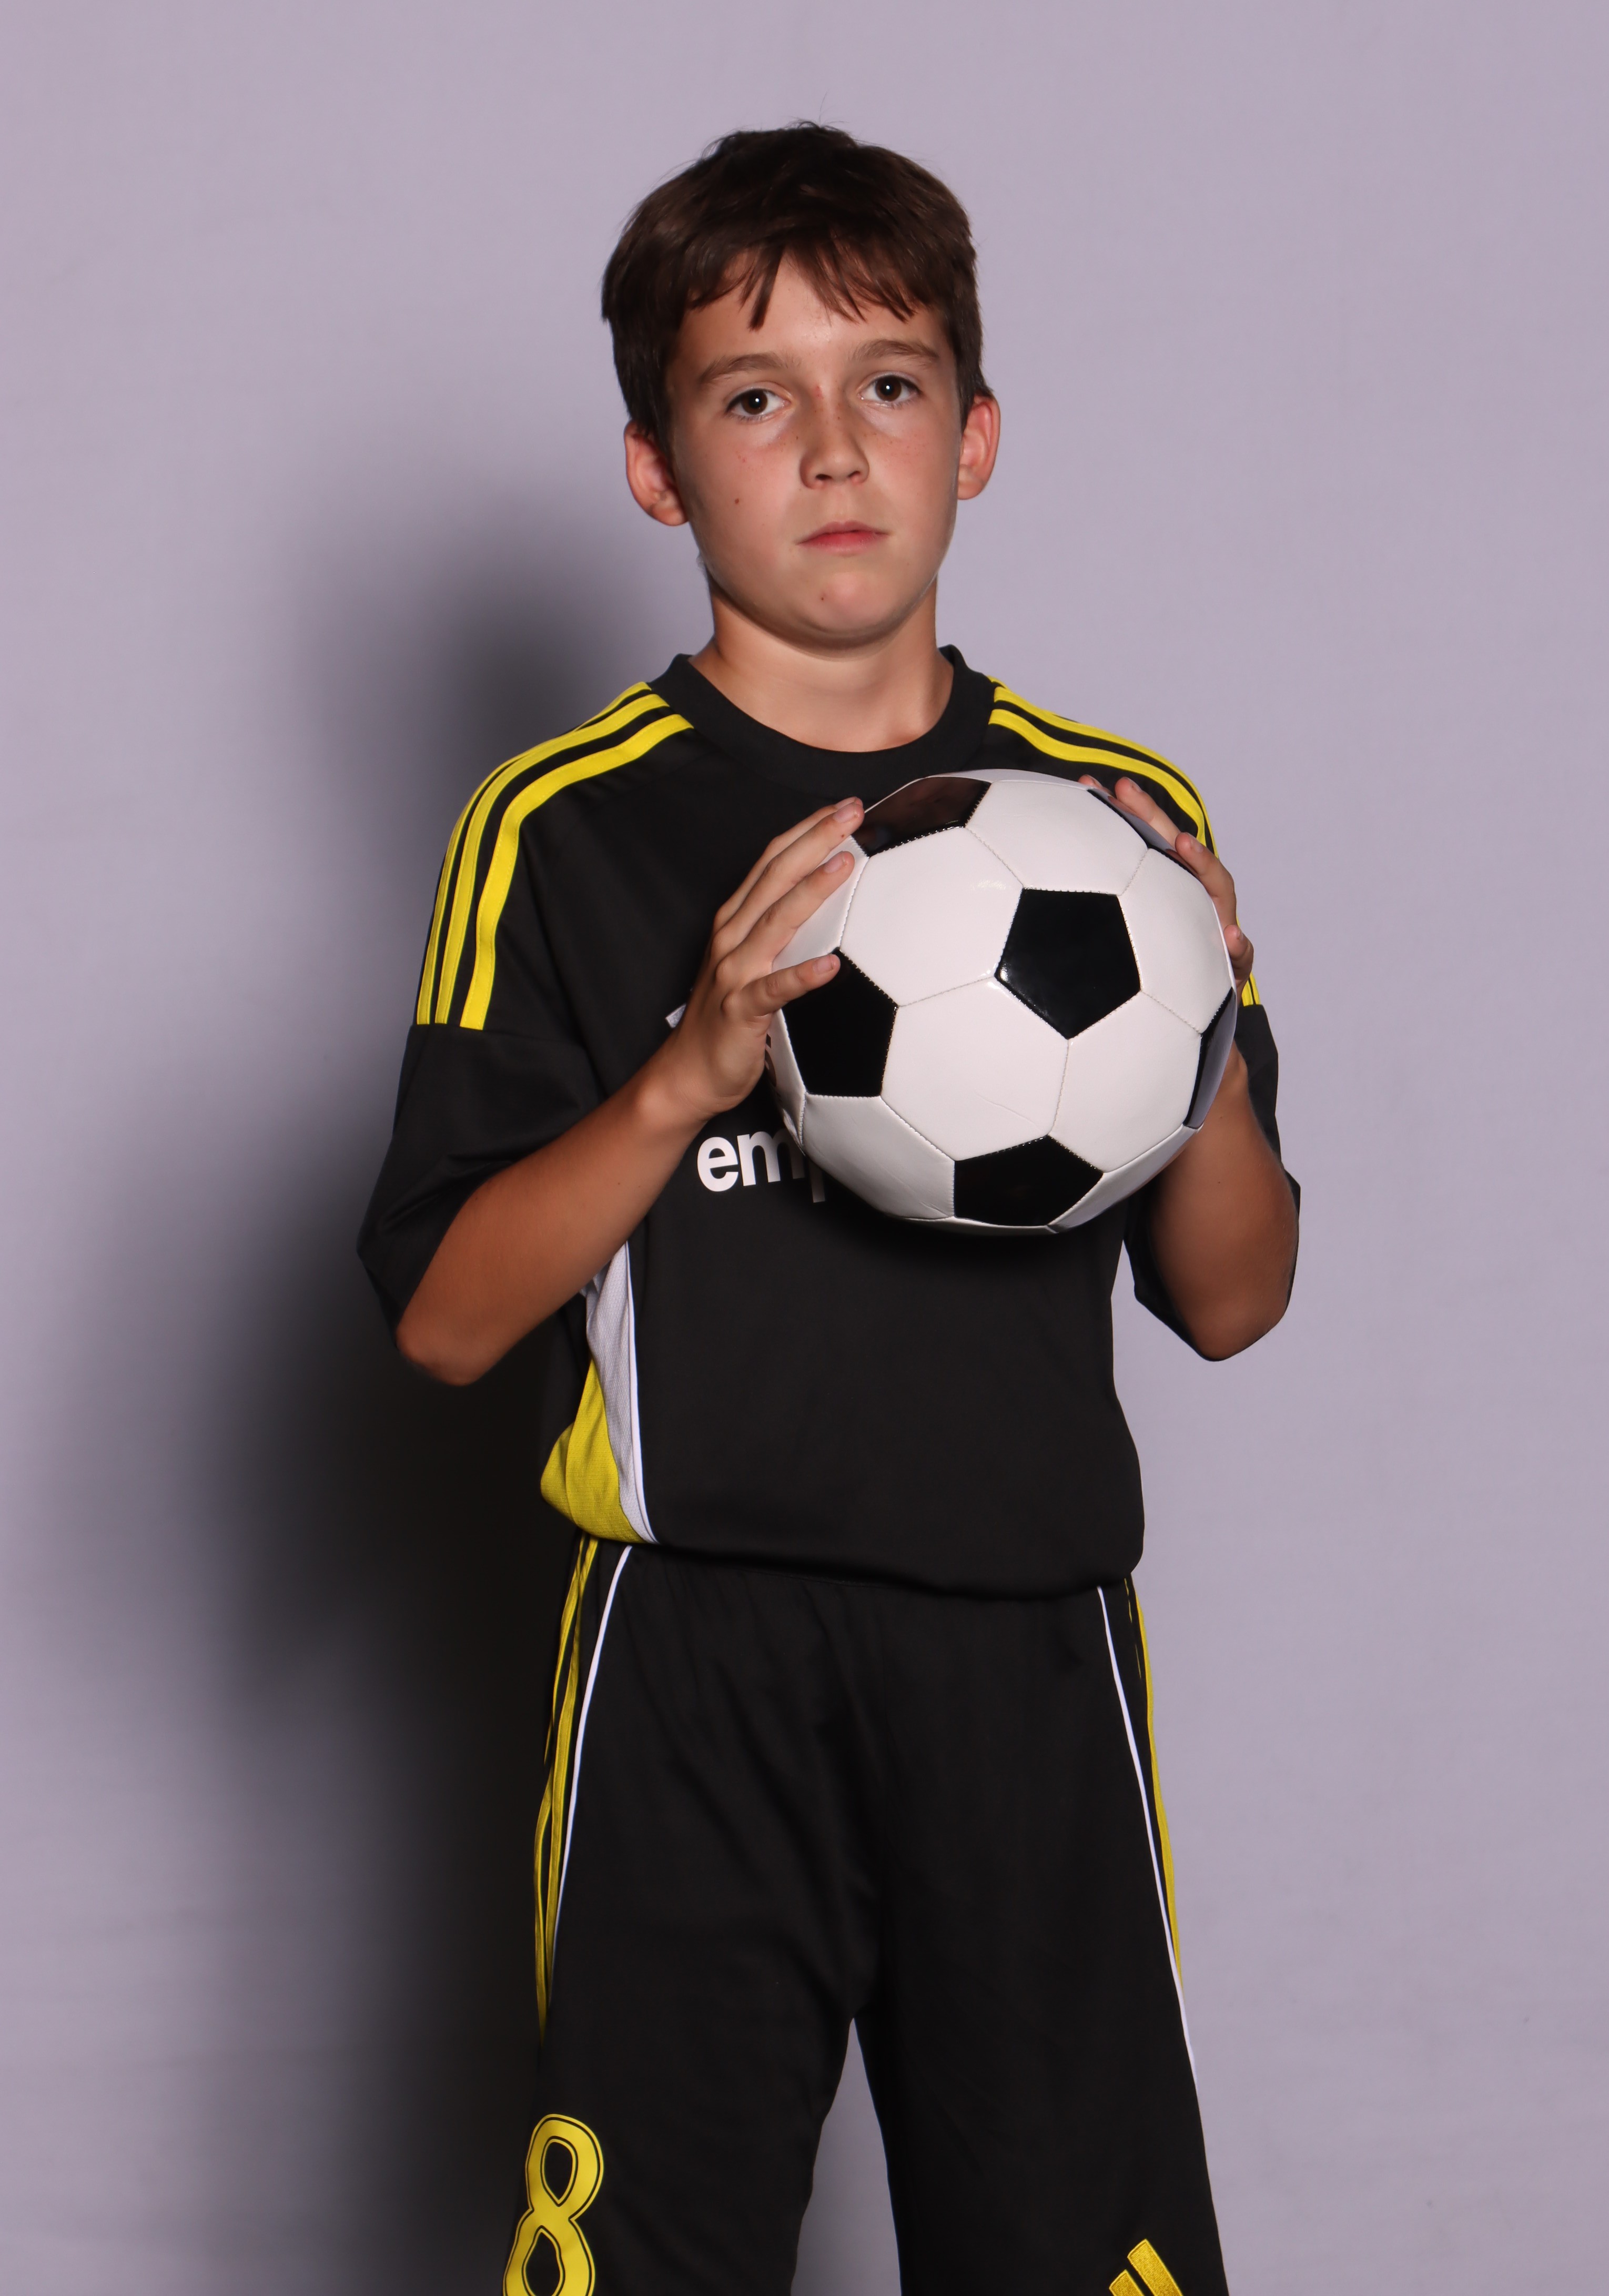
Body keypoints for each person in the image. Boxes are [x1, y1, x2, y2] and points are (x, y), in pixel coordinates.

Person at [359, 123, 1299, 2296]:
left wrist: (1207, 1035)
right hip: (694, 1658)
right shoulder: (559, 829)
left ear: (975, 436)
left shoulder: (1110, 829)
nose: (833, 449)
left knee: (1080, 2253)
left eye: (887, 383)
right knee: (644, 2258)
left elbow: (1235, 1298)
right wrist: (687, 1071)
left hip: (1025, 1648)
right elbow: (445, 1321)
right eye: (751, 397)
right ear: (656, 471)